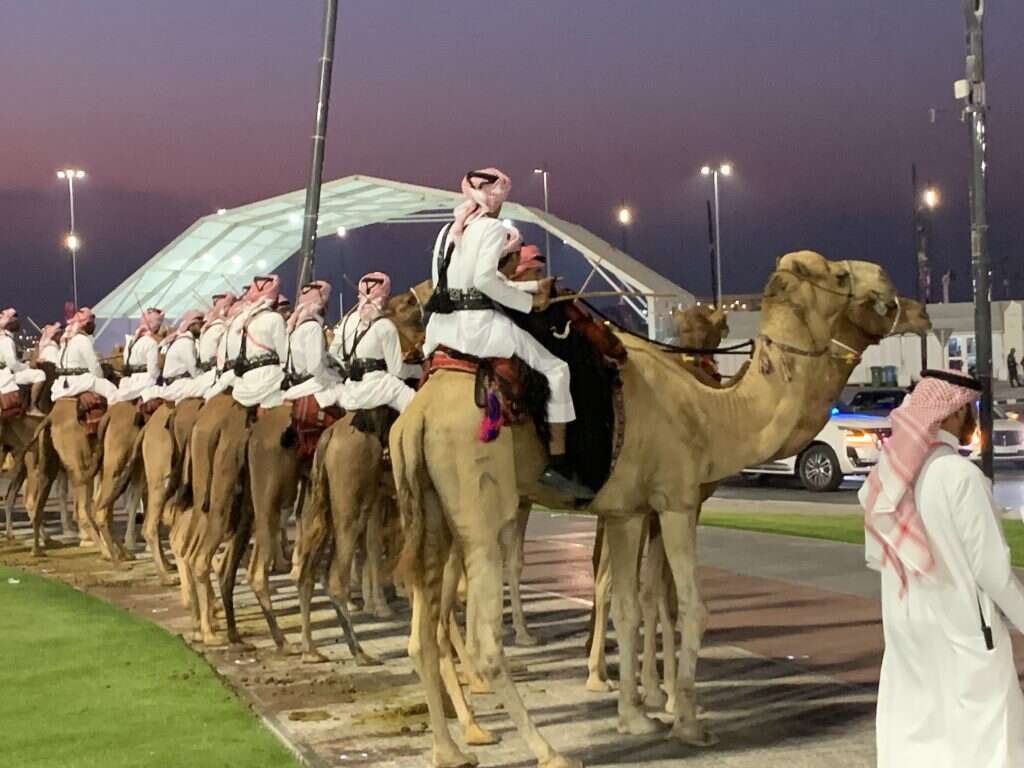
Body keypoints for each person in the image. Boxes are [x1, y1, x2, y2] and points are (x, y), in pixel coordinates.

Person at [861, 369, 1024, 767]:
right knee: (987, 733)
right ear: (949, 414)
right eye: (969, 409)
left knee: (919, 726)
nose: (972, 418)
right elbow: (993, 571)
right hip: (964, 627)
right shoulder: (959, 476)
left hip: (907, 626)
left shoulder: (892, 476)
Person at [425, 168, 591, 498]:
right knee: (558, 370)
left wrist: (532, 286)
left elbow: (464, 279)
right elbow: (485, 281)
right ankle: (558, 463)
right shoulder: (491, 228)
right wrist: (529, 305)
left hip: (443, 328)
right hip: (479, 329)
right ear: (495, 197)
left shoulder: (449, 230)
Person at [331, 272, 419, 414]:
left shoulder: (347, 321)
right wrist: (418, 371)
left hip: (349, 390)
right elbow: (397, 371)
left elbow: (334, 353)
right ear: (383, 298)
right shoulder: (385, 326)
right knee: (416, 407)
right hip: (377, 387)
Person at [229, 275, 287, 409]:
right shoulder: (275, 318)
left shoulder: (241, 319)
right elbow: (284, 356)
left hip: (244, 382)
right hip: (269, 378)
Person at [283, 280, 343, 408]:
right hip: (313, 387)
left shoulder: (293, 329)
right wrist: (335, 377)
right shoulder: (312, 328)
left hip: (295, 386)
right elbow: (315, 368)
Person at [53, 307, 118, 402]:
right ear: (86, 323)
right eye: (92, 322)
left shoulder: (65, 341)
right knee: (111, 389)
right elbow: (94, 368)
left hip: (61, 383)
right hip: (78, 382)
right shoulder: (82, 339)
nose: (94, 325)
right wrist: (101, 378)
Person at [149, 310, 204, 404]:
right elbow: (194, 370)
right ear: (191, 326)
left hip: (174, 383)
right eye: (199, 325)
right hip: (180, 385)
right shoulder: (186, 342)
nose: (201, 328)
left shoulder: (180, 340)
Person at [0, 308, 47, 416]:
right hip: (6, 375)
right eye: (10, 317)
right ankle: (32, 407)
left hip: (6, 372)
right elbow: (12, 365)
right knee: (40, 375)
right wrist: (27, 367)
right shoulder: (6, 340)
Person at [114, 308, 164, 403]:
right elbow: (153, 372)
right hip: (145, 383)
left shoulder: (130, 341)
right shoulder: (151, 343)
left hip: (127, 383)